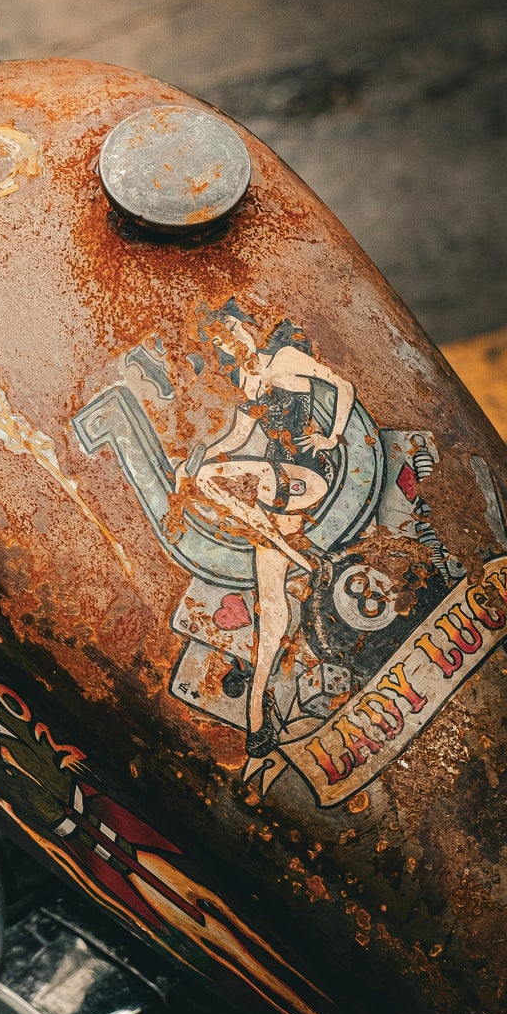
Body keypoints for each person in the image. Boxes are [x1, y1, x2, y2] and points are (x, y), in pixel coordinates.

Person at [176, 311, 354, 756]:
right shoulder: (250, 384)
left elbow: (343, 386)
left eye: (230, 331)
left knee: (212, 481)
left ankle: (298, 556)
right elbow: (233, 440)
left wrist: (332, 437)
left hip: (305, 474)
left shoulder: (286, 357)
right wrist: (193, 461)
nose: (230, 342)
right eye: (220, 340)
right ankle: (258, 712)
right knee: (271, 605)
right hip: (272, 487)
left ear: (242, 327)